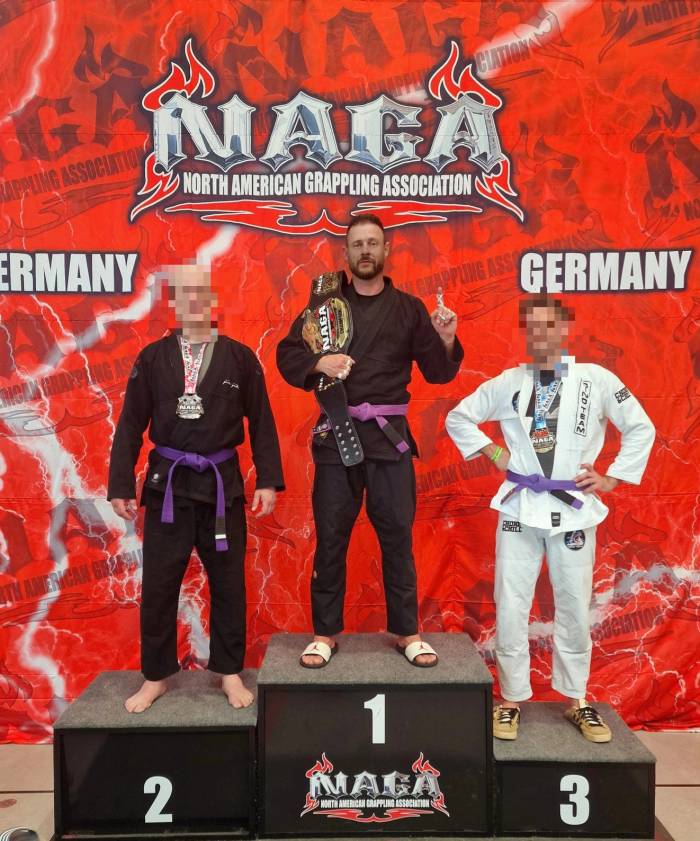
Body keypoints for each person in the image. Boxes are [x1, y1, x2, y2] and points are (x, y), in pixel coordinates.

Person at [445, 295, 655, 742]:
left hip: (573, 510)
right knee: (511, 602)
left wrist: (612, 478)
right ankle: (510, 700)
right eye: (533, 327)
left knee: (574, 604)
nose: (542, 335)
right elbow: (459, 417)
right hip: (520, 507)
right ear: (527, 333)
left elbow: (641, 426)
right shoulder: (509, 382)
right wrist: (494, 452)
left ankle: (576, 699)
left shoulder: (596, 379)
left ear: (564, 330)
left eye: (550, 326)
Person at [277, 214, 463, 668]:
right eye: (357, 244)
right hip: (336, 436)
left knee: (397, 537)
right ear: (346, 253)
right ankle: (324, 634)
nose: (365, 251)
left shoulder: (409, 309)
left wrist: (446, 339)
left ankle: (407, 632)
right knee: (331, 537)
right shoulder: (325, 305)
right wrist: (318, 365)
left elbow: (438, 372)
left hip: (388, 439)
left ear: (386, 250)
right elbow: (287, 352)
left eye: (372, 243)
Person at [108, 263, 284, 712]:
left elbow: (262, 421)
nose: (193, 301)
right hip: (168, 486)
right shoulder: (152, 358)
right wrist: (120, 484)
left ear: (212, 300)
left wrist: (267, 480)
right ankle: (156, 676)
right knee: (159, 585)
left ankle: (229, 672)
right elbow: (130, 424)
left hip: (222, 487)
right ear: (174, 303)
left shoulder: (240, 358)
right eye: (183, 294)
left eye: (200, 292)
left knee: (228, 583)